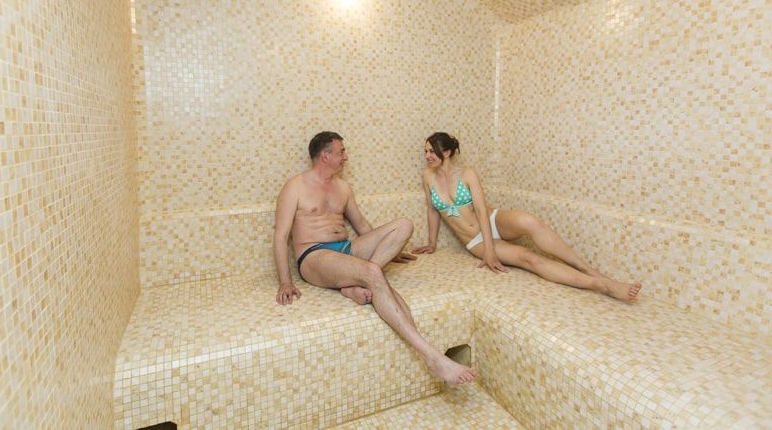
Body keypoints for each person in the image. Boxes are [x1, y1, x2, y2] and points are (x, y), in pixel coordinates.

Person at [273, 131, 476, 384]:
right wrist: (285, 281)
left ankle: (353, 283)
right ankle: (432, 358)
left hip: (346, 249)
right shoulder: (295, 187)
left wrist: (389, 250)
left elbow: (361, 225)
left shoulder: (342, 187)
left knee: (404, 225)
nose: (346, 157)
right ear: (325, 155)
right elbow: (280, 237)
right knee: (373, 272)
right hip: (314, 256)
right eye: (341, 151)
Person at [413, 132, 642, 302]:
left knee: (531, 222)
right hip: (475, 240)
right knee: (529, 258)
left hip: (491, 220)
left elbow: (482, 211)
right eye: (426, 151)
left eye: (432, 151)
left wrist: (492, 250)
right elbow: (432, 210)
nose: (427, 156)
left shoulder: (467, 173)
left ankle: (591, 270)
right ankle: (601, 285)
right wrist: (432, 243)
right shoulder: (428, 177)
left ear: (446, 152)